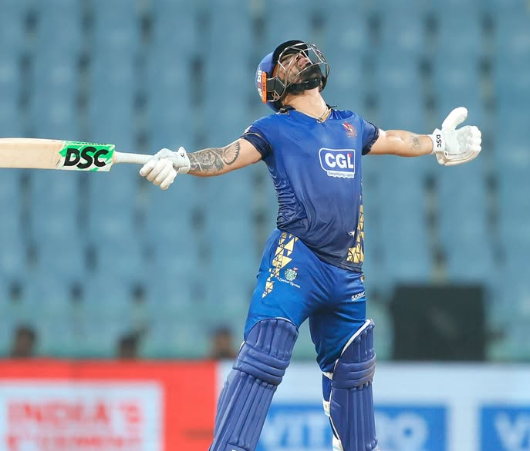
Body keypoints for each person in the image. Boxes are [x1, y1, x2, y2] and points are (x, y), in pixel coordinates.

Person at [139, 40, 481, 451]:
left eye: (301, 53)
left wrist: (437, 142)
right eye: (287, 60)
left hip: (347, 270)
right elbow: (228, 155)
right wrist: (184, 161)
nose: (300, 58)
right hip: (296, 260)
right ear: (274, 88)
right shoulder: (273, 128)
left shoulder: (351, 124)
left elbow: (393, 139)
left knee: (354, 372)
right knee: (263, 358)